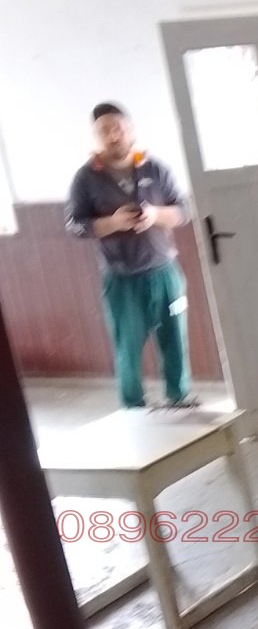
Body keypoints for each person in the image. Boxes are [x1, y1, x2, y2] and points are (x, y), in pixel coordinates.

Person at [66, 103, 198, 410]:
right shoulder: (85, 178)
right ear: (95, 136)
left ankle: (179, 398)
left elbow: (183, 211)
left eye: (118, 128)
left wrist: (154, 216)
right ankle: (133, 408)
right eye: (105, 131)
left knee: (175, 338)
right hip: (121, 277)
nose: (114, 136)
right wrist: (112, 223)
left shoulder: (155, 168)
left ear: (131, 130)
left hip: (165, 273)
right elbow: (75, 225)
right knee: (127, 345)